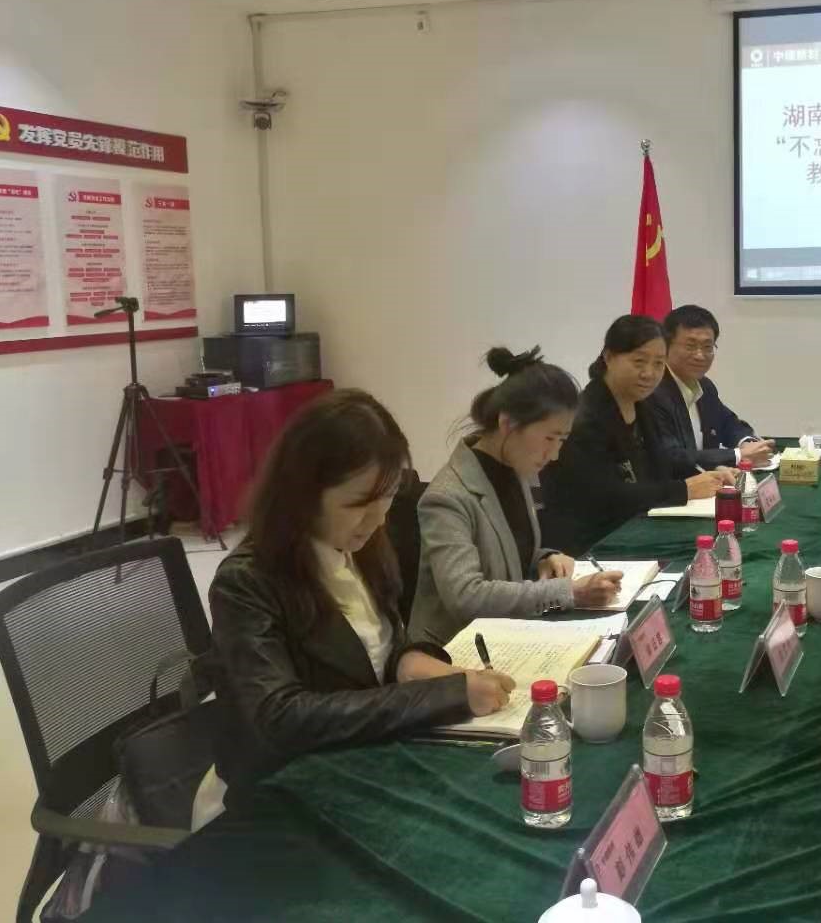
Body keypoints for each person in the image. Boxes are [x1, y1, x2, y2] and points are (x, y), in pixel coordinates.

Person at [198, 390, 515, 826]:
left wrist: (409, 661)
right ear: (302, 494)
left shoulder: (361, 548)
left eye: (387, 499)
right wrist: (442, 695)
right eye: (358, 504)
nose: (377, 520)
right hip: (284, 792)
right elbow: (281, 718)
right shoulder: (246, 582)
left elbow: (377, 645)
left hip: (365, 763)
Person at [409, 347, 624, 645]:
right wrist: (569, 592)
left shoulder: (514, 467)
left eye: (562, 440)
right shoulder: (447, 497)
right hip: (455, 650)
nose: (555, 454)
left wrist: (545, 558)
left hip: (509, 632)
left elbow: (508, 552)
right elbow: (465, 596)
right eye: (549, 438)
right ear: (507, 423)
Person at [540, 314, 731, 554]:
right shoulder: (584, 418)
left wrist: (708, 476)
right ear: (609, 357)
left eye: (658, 363)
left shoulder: (642, 405)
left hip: (638, 530)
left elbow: (662, 465)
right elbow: (605, 496)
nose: (649, 373)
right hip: (590, 545)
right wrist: (684, 489)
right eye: (639, 361)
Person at [649, 304, 775, 471]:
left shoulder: (705, 386)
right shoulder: (653, 392)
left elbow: (729, 423)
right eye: (690, 346)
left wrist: (748, 443)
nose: (700, 355)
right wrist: (738, 455)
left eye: (707, 347)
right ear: (666, 346)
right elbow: (672, 457)